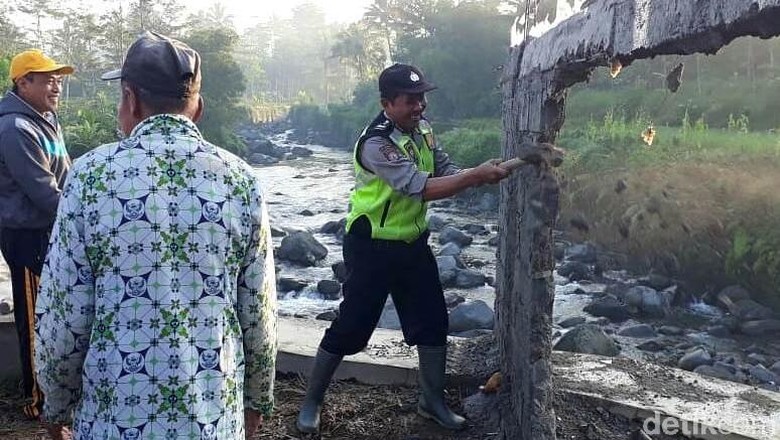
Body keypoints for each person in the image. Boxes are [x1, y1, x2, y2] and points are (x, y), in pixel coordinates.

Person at [34, 31, 277, 440]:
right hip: (213, 417)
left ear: (130, 98)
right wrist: (257, 400)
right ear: (196, 106)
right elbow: (258, 311)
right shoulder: (240, 180)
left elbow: (64, 312)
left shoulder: (91, 177)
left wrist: (56, 403)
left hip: (116, 419)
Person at [296, 63, 510, 433]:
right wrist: (473, 177)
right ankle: (312, 401)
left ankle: (431, 402)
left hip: (412, 244)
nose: (420, 106)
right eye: (410, 100)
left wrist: (472, 174)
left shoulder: (423, 130)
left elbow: (441, 167)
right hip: (371, 247)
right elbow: (418, 186)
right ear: (386, 103)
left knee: (432, 323)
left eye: (422, 98)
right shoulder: (376, 143)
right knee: (352, 328)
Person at [0, 49, 73, 420]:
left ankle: (57, 393)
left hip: (51, 232)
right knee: (35, 321)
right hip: (28, 237)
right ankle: (38, 401)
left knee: (57, 315)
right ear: (22, 82)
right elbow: (44, 191)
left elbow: (64, 175)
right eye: (46, 78)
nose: (56, 84)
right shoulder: (15, 127)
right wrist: (82, 217)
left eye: (58, 78)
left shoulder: (45, 118)